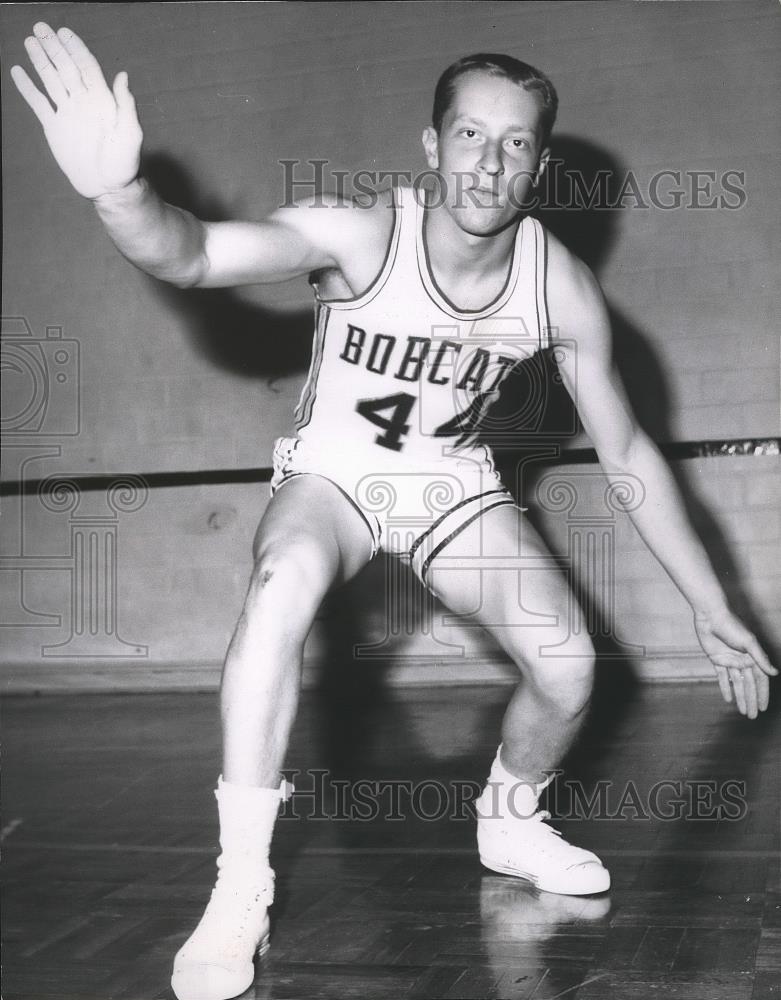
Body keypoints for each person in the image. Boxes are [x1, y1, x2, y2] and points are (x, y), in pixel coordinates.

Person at [12, 22, 776, 1000]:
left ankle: (509, 815)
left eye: (513, 143)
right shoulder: (360, 235)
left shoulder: (558, 287)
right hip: (334, 472)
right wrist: (119, 193)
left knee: (570, 662)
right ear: (431, 146)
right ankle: (239, 884)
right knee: (280, 583)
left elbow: (626, 449)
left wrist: (710, 603)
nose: (489, 162)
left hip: (447, 481)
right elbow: (195, 253)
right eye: (469, 135)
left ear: (538, 164)